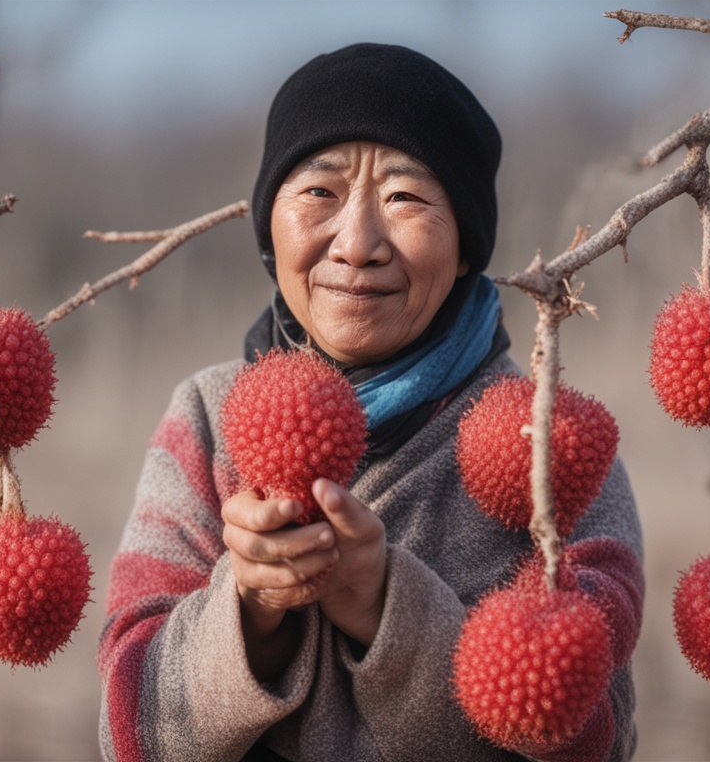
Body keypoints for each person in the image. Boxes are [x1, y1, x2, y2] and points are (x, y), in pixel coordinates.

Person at [98, 43, 643, 762]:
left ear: (468, 246)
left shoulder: (551, 442)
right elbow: (128, 734)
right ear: (270, 228)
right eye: (319, 193)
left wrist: (386, 603)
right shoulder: (207, 416)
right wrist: (253, 607)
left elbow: (595, 742)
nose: (356, 244)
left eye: (406, 197)